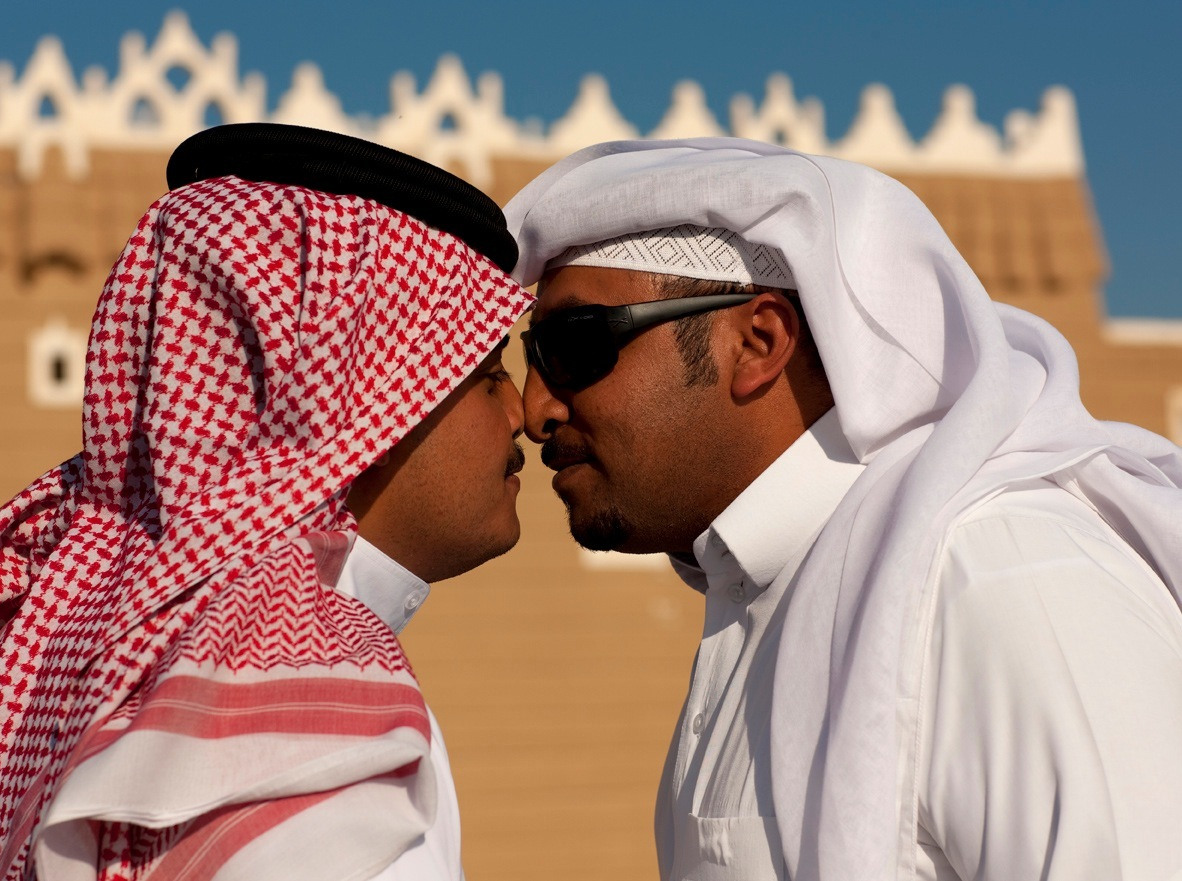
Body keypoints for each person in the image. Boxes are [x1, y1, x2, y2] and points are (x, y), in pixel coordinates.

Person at [504, 138, 1182, 881]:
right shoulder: (759, 594)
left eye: (574, 345)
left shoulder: (994, 576)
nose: (535, 408)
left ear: (758, 341)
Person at [0, 123, 532, 881]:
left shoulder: (26, 629)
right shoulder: (304, 722)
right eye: (485, 372)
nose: (520, 413)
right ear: (353, 399)